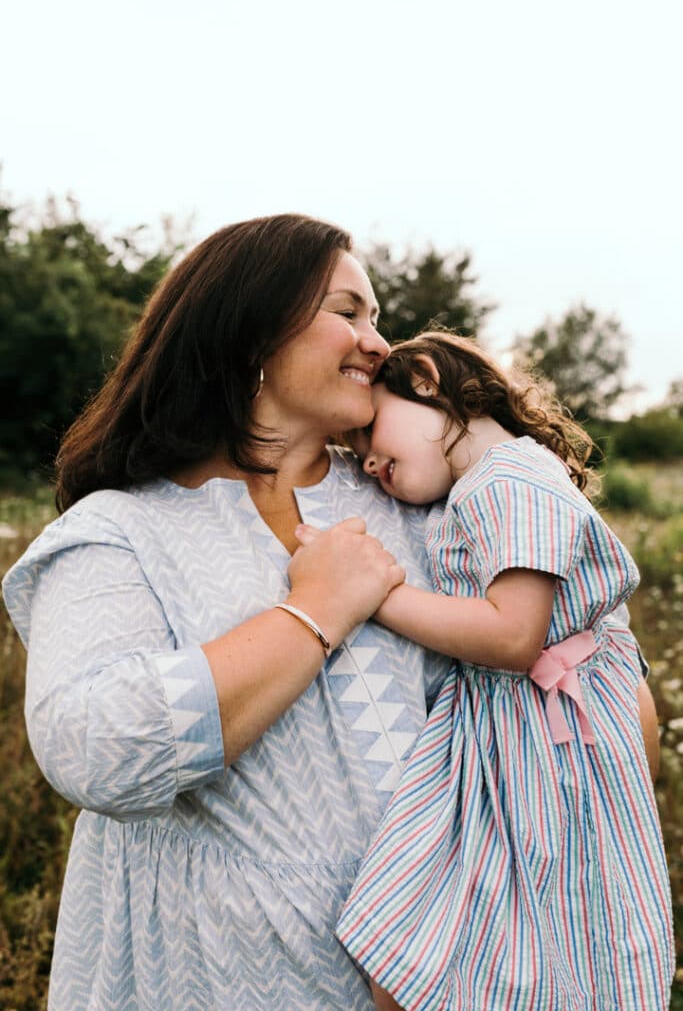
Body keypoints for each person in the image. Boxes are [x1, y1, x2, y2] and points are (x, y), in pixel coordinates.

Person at [1, 215, 452, 1011]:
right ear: (249, 332)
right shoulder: (120, 531)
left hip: (435, 976)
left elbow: (583, 681)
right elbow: (95, 750)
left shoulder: (421, 508)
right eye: (347, 311)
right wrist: (313, 612)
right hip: (200, 978)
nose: (379, 343)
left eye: (376, 318)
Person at [330, 331, 674, 1011]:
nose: (367, 459)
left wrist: (371, 593)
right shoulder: (483, 484)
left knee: (555, 934)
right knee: (422, 947)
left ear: (425, 380)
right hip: (508, 733)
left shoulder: (508, 478)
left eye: (369, 428)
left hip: (549, 740)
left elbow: (514, 635)